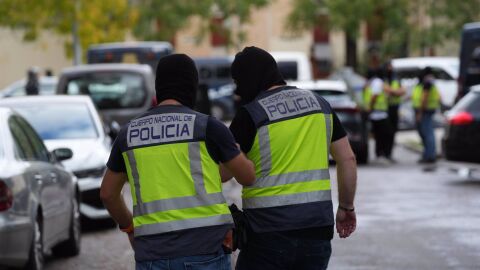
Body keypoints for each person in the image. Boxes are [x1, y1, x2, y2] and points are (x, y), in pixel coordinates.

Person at [100, 54, 256, 270]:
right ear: (191, 85)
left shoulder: (129, 134)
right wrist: (237, 152)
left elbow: (107, 193)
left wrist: (129, 227)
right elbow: (247, 177)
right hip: (206, 251)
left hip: (152, 255)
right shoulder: (207, 127)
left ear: (159, 86)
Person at [227, 46, 357, 270]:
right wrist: (346, 207)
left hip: (266, 233)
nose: (238, 91)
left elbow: (223, 172)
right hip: (316, 229)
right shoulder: (320, 105)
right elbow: (347, 159)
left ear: (249, 79)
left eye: (239, 82)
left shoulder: (251, 114)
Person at [412, 67, 441, 164]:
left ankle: (429, 156)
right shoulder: (429, 82)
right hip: (425, 110)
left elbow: (424, 98)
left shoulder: (427, 82)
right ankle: (428, 154)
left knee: (427, 134)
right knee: (426, 133)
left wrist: (420, 113)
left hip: (425, 111)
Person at [367, 68, 395, 163]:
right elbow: (375, 96)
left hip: (377, 114)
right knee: (387, 134)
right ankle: (383, 154)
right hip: (379, 114)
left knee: (379, 135)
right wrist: (370, 108)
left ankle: (379, 154)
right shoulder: (378, 82)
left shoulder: (373, 82)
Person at [384, 61, 406, 135]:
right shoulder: (383, 78)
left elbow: (403, 91)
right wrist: (396, 92)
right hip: (385, 108)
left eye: (391, 67)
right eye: (388, 67)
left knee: (394, 129)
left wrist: (392, 92)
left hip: (395, 107)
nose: (390, 68)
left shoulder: (396, 78)